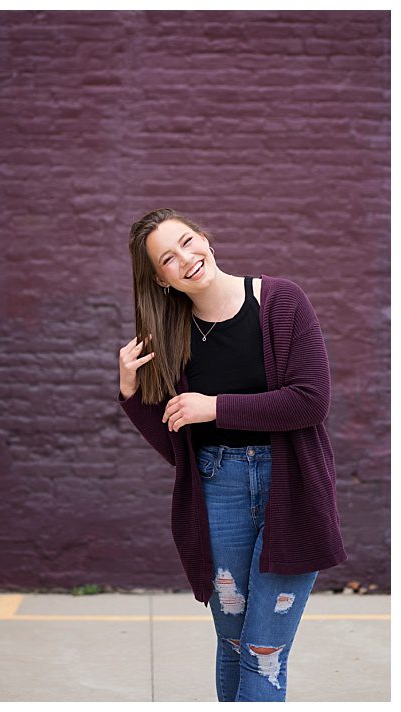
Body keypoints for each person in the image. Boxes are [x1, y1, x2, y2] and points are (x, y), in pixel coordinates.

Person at [116, 209, 345, 702]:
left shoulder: (280, 301)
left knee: (264, 650)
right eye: (168, 259)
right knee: (234, 643)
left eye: (187, 242)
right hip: (217, 486)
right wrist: (132, 393)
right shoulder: (173, 337)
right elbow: (178, 449)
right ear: (161, 279)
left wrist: (214, 406)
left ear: (205, 238)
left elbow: (311, 401)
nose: (186, 259)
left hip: (290, 486)